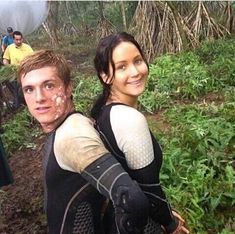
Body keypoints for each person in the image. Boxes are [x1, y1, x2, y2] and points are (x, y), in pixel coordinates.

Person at [17, 50, 150, 234]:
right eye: (29, 89)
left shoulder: (73, 136)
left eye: (48, 85)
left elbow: (131, 199)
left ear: (68, 88)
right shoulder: (69, 125)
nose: (38, 98)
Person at [91, 32, 189, 234]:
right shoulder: (130, 119)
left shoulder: (104, 110)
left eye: (138, 61)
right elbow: (149, 189)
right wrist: (171, 224)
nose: (135, 72)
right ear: (105, 76)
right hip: (141, 225)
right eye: (122, 67)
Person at [3, 31, 33, 109]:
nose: (19, 41)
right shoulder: (10, 48)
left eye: (20, 39)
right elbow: (5, 59)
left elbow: (33, 58)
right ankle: (18, 107)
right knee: (17, 91)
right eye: (17, 39)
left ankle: (30, 104)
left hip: (27, 72)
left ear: (22, 39)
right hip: (15, 73)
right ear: (13, 39)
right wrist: (8, 66)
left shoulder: (27, 47)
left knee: (28, 88)